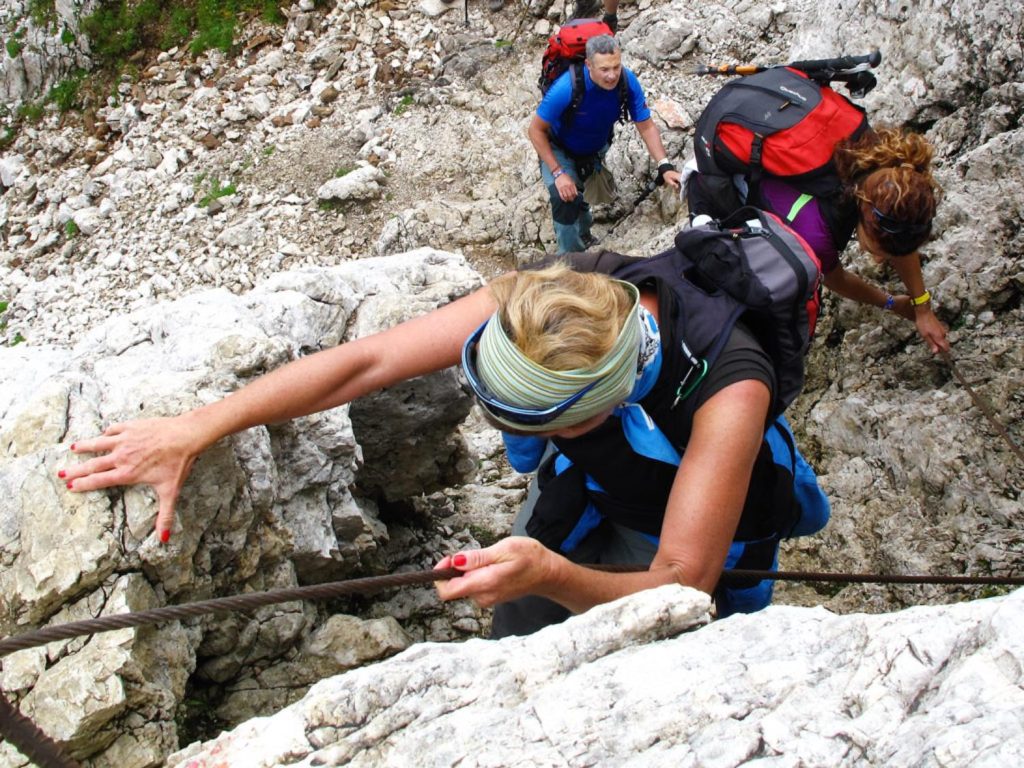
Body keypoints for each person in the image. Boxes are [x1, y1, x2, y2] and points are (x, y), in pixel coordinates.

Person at [59, 259, 827, 636]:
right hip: (597, 487)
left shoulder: (727, 393)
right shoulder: (559, 300)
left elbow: (682, 583)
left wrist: (555, 574)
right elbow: (367, 363)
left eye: (530, 425)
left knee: (675, 633)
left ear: (599, 408)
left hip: (700, 532)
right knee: (525, 616)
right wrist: (202, 426)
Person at [687, 125, 950, 354]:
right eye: (877, 249)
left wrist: (922, 307)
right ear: (866, 213)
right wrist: (890, 302)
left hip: (758, 150)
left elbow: (897, 227)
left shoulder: (883, 166)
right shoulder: (814, 233)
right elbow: (837, 279)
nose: (880, 259)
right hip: (714, 182)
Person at [529, 34, 681, 254]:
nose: (612, 76)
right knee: (564, 197)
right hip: (559, 148)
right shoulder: (566, 88)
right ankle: (572, 262)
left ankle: (584, 235)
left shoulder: (627, 81)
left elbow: (646, 126)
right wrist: (558, 172)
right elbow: (535, 130)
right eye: (604, 69)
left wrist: (664, 165)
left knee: (579, 193)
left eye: (616, 67)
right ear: (588, 64)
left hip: (595, 149)